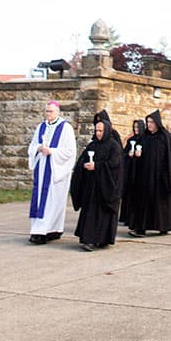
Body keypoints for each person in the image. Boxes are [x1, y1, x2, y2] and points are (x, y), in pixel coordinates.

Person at [71, 115, 124, 251]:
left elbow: (115, 165)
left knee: (103, 214)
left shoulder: (114, 146)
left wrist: (97, 166)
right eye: (96, 131)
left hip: (105, 187)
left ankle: (102, 239)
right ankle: (88, 239)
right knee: (90, 214)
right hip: (91, 187)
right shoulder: (92, 145)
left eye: (100, 131)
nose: (98, 133)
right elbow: (82, 160)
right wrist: (84, 166)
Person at [27, 100, 77, 244]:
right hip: (42, 169)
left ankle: (51, 230)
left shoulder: (65, 128)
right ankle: (38, 230)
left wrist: (52, 151)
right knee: (40, 200)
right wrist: (38, 149)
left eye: (51, 111)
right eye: (47, 111)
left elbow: (70, 151)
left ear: (58, 112)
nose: (48, 114)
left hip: (56, 171)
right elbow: (33, 144)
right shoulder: (41, 127)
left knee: (53, 201)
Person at [127, 111, 171, 236]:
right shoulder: (144, 137)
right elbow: (139, 154)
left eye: (151, 122)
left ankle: (163, 226)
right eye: (148, 122)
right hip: (145, 177)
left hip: (160, 177)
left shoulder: (165, 137)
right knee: (143, 202)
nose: (149, 125)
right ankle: (141, 228)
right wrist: (137, 156)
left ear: (157, 123)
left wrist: (168, 176)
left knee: (161, 203)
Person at [120, 119, 145, 225]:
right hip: (130, 172)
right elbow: (124, 154)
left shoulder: (145, 140)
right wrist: (128, 155)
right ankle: (126, 217)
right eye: (134, 127)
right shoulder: (131, 141)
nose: (136, 130)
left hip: (139, 172)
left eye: (137, 127)